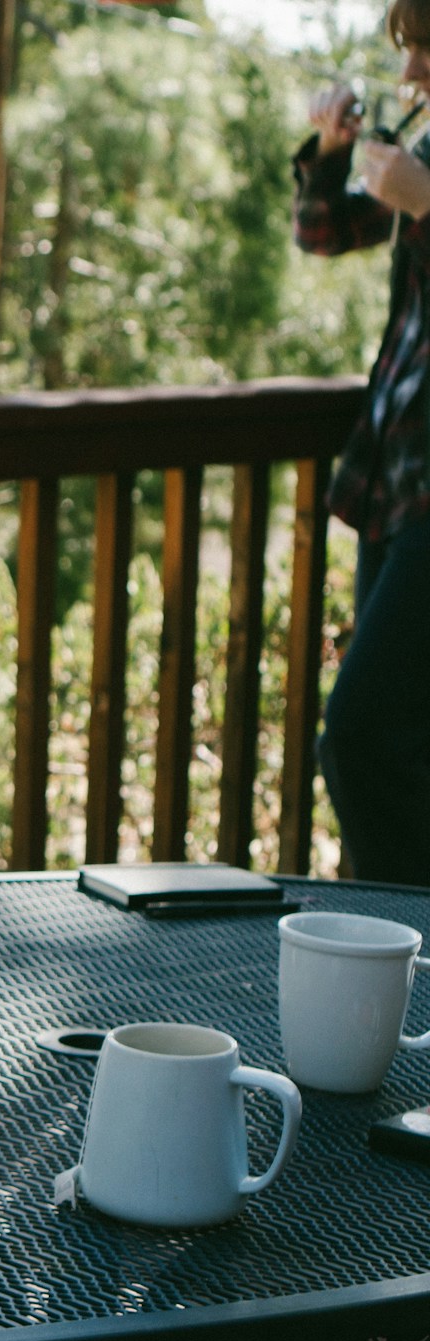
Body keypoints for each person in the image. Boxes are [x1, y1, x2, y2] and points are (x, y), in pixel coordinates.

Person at [299, 1, 430, 884]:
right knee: (401, 736)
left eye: (428, 50)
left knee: (360, 731)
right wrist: (334, 153)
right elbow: (324, 233)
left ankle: (404, 947)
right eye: (410, 50)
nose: (413, 73)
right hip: (399, 475)